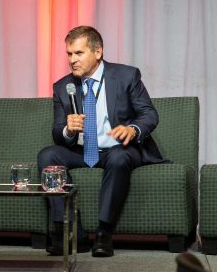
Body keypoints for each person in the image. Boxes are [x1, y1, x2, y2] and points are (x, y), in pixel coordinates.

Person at [38, 25, 165, 257]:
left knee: (118, 157)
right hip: (82, 150)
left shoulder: (127, 76)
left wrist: (133, 129)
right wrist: (67, 128)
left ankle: (104, 232)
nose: (72, 60)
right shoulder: (62, 87)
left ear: (97, 52)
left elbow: (149, 114)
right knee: (47, 155)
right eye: (69, 54)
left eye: (78, 53)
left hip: (118, 148)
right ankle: (69, 232)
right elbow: (57, 132)